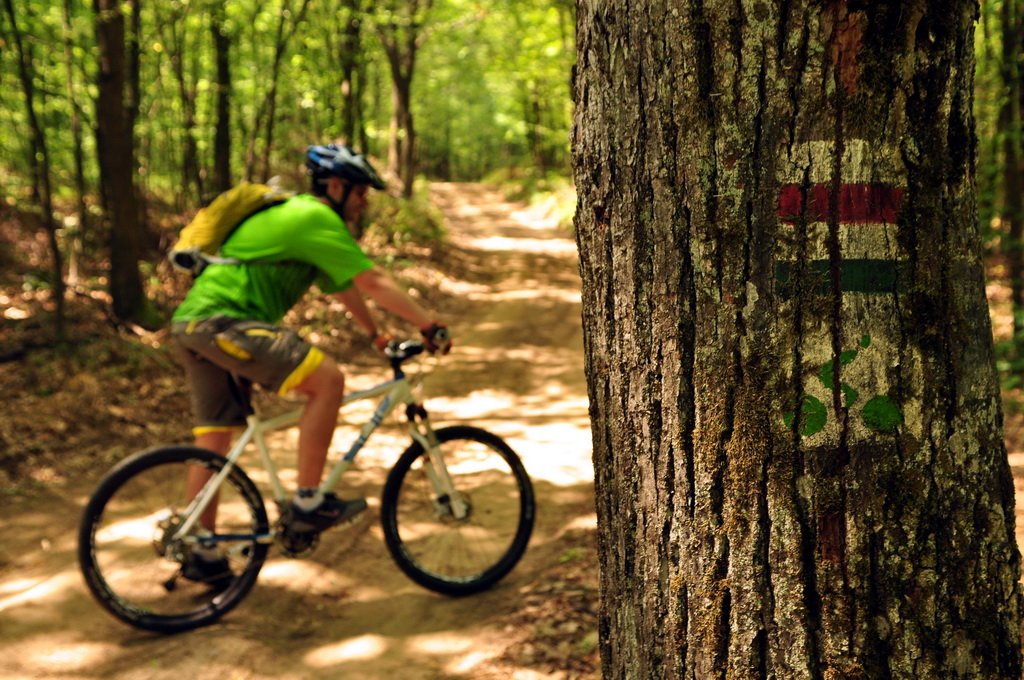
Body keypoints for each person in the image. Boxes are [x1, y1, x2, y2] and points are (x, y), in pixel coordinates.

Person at [169, 144, 450, 584]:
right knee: (328, 381)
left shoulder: (298, 221)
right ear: (336, 186)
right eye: (361, 192)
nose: (365, 201)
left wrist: (377, 335)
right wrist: (428, 325)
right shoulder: (315, 217)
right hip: (227, 321)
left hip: (193, 324)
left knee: (214, 440)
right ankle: (307, 502)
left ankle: (200, 550)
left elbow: (343, 287)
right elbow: (371, 278)